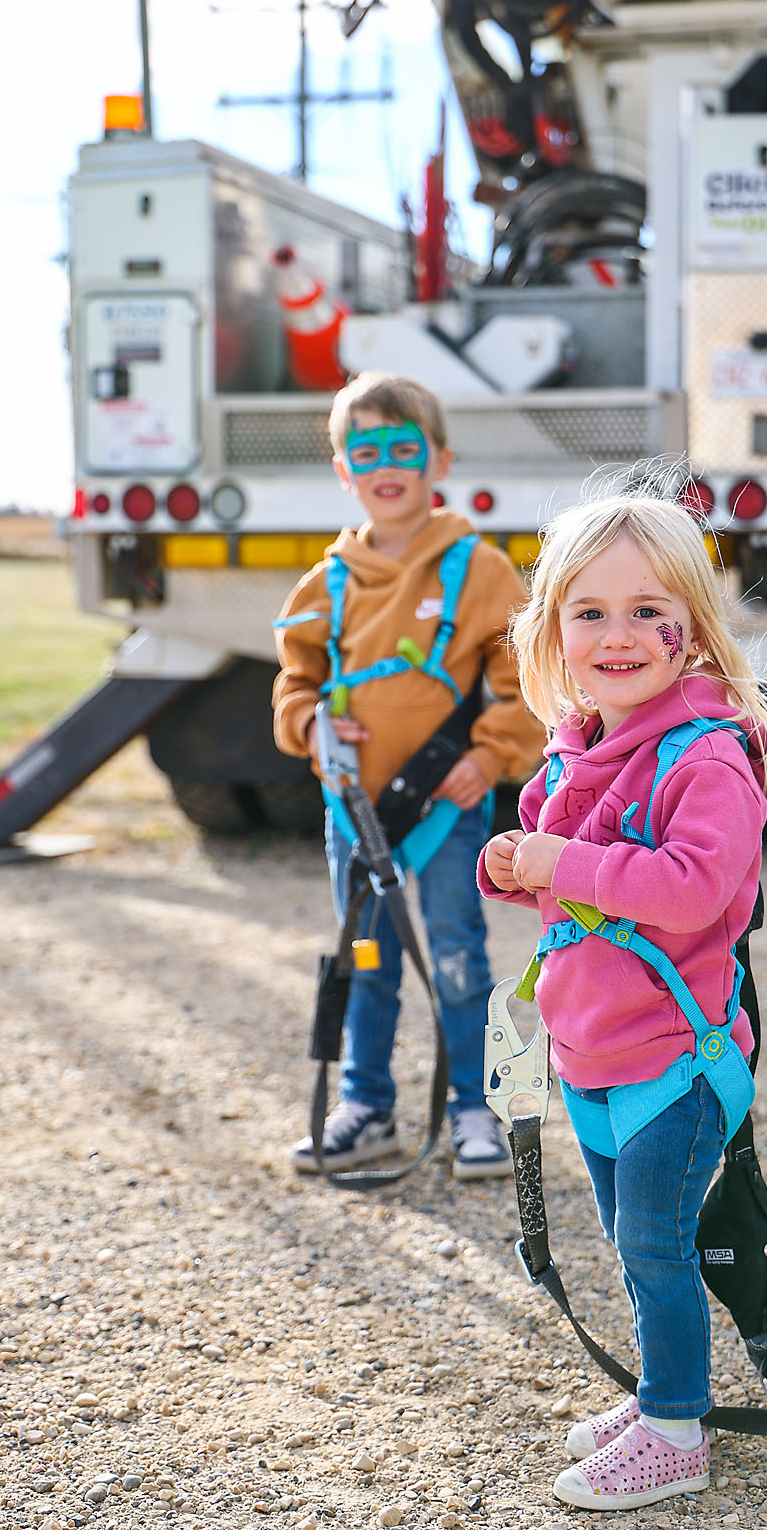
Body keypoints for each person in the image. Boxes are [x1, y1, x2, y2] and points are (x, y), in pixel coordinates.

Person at [478, 487, 767, 1508]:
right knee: (630, 1239)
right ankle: (667, 1391)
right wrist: (513, 861)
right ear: (553, 630)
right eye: (590, 612)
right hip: (592, 1050)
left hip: (673, 1061)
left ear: (691, 627)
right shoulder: (577, 743)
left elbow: (693, 889)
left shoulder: (706, 757)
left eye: (648, 611)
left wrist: (560, 860)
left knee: (654, 1243)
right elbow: (554, 871)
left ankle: (673, 1433)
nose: (617, 635)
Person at [273, 371, 544, 1180]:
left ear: (439, 461)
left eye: (403, 448)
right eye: (365, 452)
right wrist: (310, 727)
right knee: (365, 959)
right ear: (342, 470)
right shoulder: (325, 582)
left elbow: (525, 682)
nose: (385, 466)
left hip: (446, 811)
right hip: (353, 813)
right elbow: (294, 683)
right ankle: (365, 1107)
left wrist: (488, 757)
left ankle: (475, 1109)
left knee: (458, 955)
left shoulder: (479, 569)